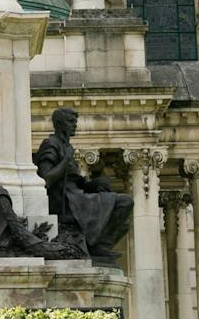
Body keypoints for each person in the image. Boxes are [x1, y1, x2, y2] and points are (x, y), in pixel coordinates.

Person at [34, 107, 133, 261]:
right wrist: (66, 160)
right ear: (59, 123)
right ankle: (98, 246)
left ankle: (98, 246)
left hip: (77, 196)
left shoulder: (65, 146)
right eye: (71, 121)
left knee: (125, 203)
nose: (75, 125)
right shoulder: (51, 144)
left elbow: (73, 180)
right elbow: (46, 179)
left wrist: (92, 185)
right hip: (66, 201)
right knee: (123, 202)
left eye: (75, 122)